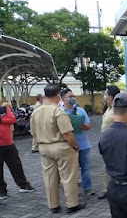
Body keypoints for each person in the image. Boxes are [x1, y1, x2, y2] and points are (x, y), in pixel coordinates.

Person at [30, 84, 85, 214]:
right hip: (61, 147)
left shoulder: (35, 112)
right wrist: (75, 146)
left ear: (44, 95)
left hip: (44, 147)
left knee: (49, 178)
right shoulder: (58, 111)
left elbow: (33, 133)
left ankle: (53, 205)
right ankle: (72, 204)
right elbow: (67, 133)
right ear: (57, 96)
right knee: (68, 177)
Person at [60, 88, 94, 196]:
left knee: (85, 168)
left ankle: (87, 188)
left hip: (83, 145)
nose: (72, 98)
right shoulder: (59, 112)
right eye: (70, 97)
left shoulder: (81, 110)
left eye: (73, 96)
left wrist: (84, 126)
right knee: (70, 170)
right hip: (67, 146)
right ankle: (72, 191)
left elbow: (88, 125)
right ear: (63, 99)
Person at [0, 104, 36, 200]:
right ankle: (2, 191)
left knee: (16, 166)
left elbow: (12, 120)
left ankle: (24, 185)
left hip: (8, 144)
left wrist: (1, 120)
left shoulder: (4, 109)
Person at [98, 85, 120, 200]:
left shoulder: (118, 109)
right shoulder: (108, 108)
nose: (104, 96)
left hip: (114, 141)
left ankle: (116, 188)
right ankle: (106, 189)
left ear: (110, 97)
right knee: (106, 166)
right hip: (106, 141)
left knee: (115, 165)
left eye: (105, 94)